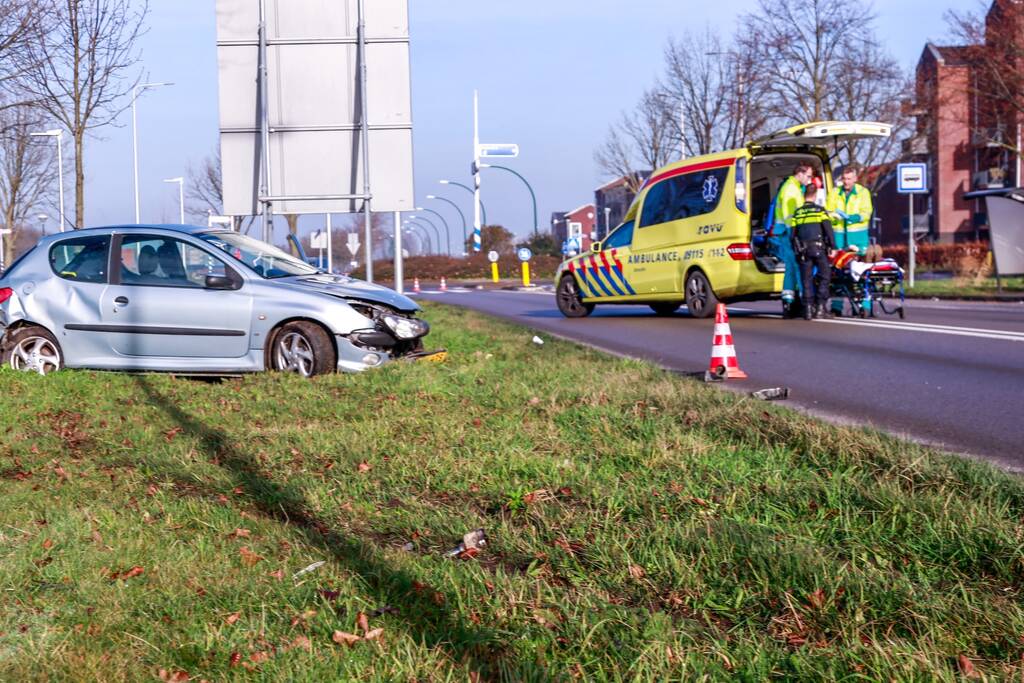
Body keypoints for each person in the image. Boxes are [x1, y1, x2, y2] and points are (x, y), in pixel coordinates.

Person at [827, 165, 877, 314]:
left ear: (855, 179)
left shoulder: (863, 192)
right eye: (844, 179)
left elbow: (867, 212)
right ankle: (837, 307)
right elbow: (827, 211)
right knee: (838, 274)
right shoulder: (835, 193)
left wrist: (854, 218)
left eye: (849, 179)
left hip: (858, 239)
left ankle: (865, 306)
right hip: (839, 239)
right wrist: (833, 215)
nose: (846, 182)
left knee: (861, 274)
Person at [768, 162, 815, 311]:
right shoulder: (791, 189)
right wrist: (796, 235)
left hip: (785, 232)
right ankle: (805, 300)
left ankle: (788, 300)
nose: (810, 180)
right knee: (798, 265)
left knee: (790, 267)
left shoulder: (793, 187)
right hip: (789, 233)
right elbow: (790, 217)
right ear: (800, 174)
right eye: (808, 176)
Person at [791, 183, 837, 320]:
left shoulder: (797, 213)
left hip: (803, 250)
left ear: (804, 195)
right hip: (819, 248)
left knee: (806, 279)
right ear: (815, 195)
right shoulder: (820, 211)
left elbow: (792, 235)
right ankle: (821, 308)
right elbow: (828, 230)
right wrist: (833, 246)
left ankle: (808, 310)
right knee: (825, 276)